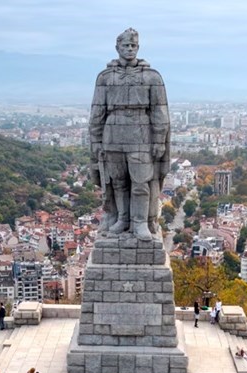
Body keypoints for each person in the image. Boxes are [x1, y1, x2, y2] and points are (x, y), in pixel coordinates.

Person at [89, 28, 170, 241]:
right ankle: (122, 218)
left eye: (133, 45)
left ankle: (140, 222)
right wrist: (96, 139)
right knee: (118, 182)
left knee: (141, 182)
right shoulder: (105, 77)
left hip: (141, 134)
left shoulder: (152, 77)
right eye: (126, 45)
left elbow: (159, 111)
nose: (130, 49)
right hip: (112, 133)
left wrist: (159, 139)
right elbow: (97, 110)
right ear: (117, 48)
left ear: (138, 48)